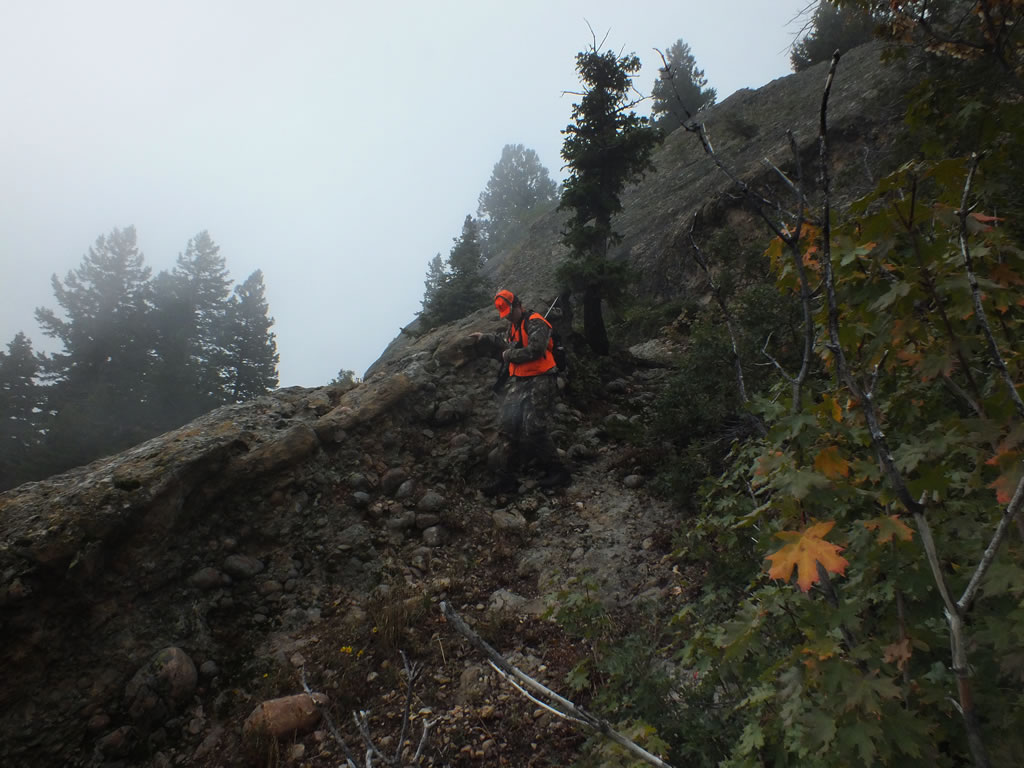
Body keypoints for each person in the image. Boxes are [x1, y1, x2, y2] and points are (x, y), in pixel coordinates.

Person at [470, 289, 571, 495]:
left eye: (509, 311)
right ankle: (506, 479)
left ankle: (558, 471)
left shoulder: (535, 321)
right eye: (504, 313)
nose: (507, 316)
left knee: (534, 427)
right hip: (521, 380)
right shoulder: (513, 327)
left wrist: (509, 355)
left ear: (517, 305)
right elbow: (506, 342)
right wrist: (485, 337)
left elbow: (536, 349)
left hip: (542, 379)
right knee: (507, 427)